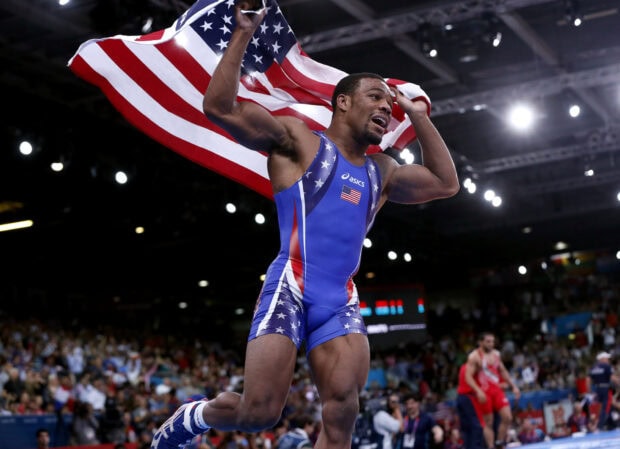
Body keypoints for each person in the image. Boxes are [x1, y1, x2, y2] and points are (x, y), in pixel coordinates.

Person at [151, 2, 459, 449]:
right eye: (376, 97)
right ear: (343, 101)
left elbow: (445, 183)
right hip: (291, 283)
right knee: (259, 413)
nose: (385, 108)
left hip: (341, 297)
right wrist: (242, 32)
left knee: (343, 410)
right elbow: (220, 107)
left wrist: (418, 115)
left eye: (388, 104)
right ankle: (195, 416)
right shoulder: (298, 141)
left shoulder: (383, 171)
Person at [464, 333, 520, 449]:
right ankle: (491, 446)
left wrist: (513, 386)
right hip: (484, 392)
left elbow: (503, 371)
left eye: (492, 341)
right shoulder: (474, 356)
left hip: (497, 390)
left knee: (507, 417)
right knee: (488, 422)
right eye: (488, 341)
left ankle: (499, 442)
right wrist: (478, 391)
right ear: (481, 342)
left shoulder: (496, 354)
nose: (491, 344)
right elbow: (468, 377)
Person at [455, 363, 485, 449]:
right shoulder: (473, 366)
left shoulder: (463, 366)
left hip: (460, 397)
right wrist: (479, 391)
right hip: (468, 397)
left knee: (466, 429)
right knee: (476, 426)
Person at [587, 351, 619, 430]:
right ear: (602, 359)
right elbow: (612, 378)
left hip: (598, 389)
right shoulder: (606, 366)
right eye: (607, 358)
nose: (608, 360)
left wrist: (590, 391)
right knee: (606, 407)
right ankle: (599, 426)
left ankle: (612, 424)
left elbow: (588, 380)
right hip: (605, 389)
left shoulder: (593, 367)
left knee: (603, 407)